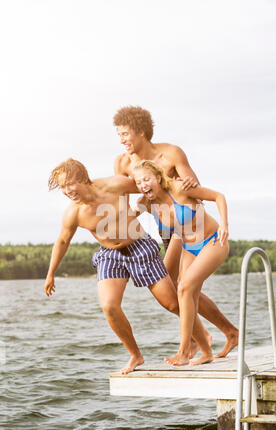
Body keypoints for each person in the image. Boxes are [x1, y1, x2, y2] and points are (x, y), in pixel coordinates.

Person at [44, 158, 213, 373]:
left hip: (139, 245)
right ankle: (135, 355)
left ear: (84, 179)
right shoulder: (73, 213)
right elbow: (62, 241)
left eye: (70, 184)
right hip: (109, 255)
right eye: (62, 187)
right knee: (109, 305)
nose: (67, 191)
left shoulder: (114, 185)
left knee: (172, 304)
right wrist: (51, 274)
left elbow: (152, 184)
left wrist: (183, 187)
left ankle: (203, 342)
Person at [113, 105, 238, 357]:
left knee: (182, 287)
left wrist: (189, 186)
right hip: (164, 227)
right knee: (174, 291)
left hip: (186, 226)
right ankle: (211, 335)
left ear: (140, 132)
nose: (122, 140)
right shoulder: (123, 163)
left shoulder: (170, 154)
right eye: (119, 135)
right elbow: (122, 200)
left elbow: (195, 190)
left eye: (125, 134)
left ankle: (198, 341)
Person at [132, 160, 230, 366]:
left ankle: (184, 351)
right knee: (185, 293)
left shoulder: (180, 188)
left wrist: (224, 225)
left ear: (158, 178)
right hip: (189, 248)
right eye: (139, 182)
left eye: (147, 179)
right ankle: (206, 351)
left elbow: (218, 196)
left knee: (185, 287)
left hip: (213, 240)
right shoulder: (146, 204)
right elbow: (123, 217)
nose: (143, 184)